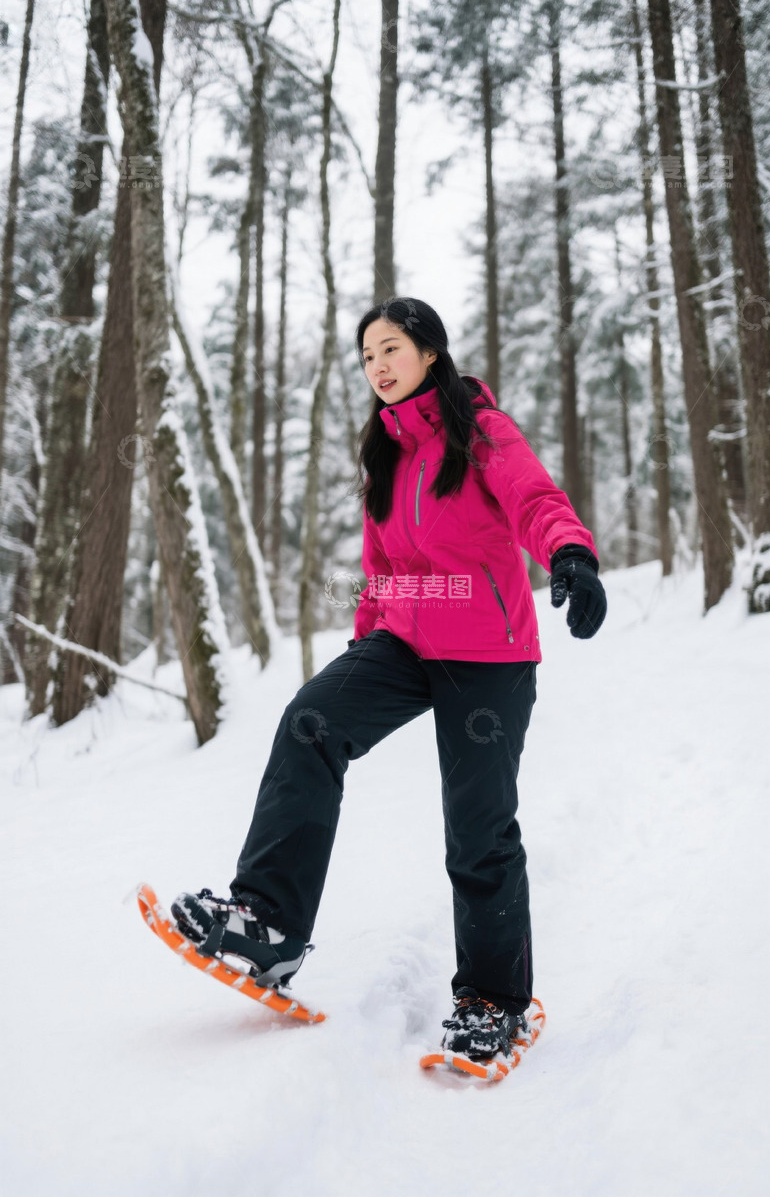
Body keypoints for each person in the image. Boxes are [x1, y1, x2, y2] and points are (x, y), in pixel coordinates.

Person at [172, 297, 607, 1060]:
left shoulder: (480, 432)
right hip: (405, 640)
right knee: (311, 721)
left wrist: (570, 554)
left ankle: (494, 1002)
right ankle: (267, 925)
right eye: (367, 354)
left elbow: (535, 499)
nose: (378, 364)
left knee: (479, 830)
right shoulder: (386, 449)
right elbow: (385, 568)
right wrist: (366, 644)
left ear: (430, 353)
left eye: (391, 348)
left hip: (490, 653)